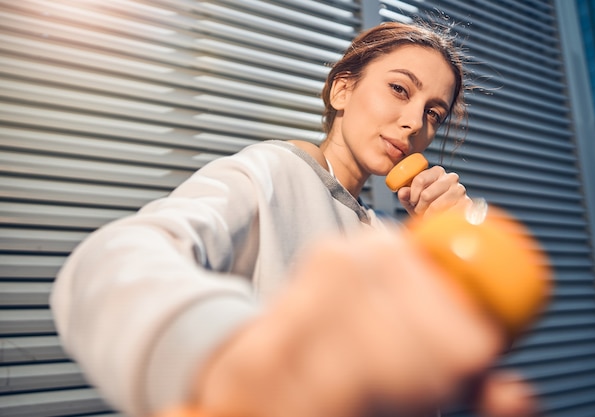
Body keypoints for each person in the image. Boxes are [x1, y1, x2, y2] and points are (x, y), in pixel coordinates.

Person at [51, 21, 537, 417]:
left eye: (434, 112)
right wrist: (227, 362)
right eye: (398, 89)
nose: (415, 123)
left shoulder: (387, 236)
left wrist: (450, 252)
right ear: (342, 91)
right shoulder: (273, 170)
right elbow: (109, 262)